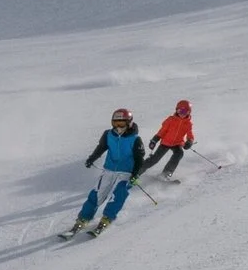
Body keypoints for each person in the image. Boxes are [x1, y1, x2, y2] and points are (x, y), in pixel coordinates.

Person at [70, 108, 146, 236]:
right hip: (109, 170)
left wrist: (135, 174)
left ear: (129, 123)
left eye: (121, 124)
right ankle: (83, 218)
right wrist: (91, 158)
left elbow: (139, 160)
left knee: (118, 195)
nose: (118, 127)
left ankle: (107, 218)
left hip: (126, 173)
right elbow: (101, 148)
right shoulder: (108, 135)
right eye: (115, 123)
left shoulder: (135, 139)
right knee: (96, 194)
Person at [149, 100, 196, 179]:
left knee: (179, 153)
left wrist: (189, 142)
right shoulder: (171, 119)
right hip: (165, 142)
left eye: (185, 111)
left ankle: (166, 173)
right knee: (155, 159)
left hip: (177, 143)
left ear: (189, 112)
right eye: (180, 110)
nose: (182, 113)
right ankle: (140, 169)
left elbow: (190, 135)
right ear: (176, 110)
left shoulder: (188, 124)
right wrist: (155, 139)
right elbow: (162, 131)